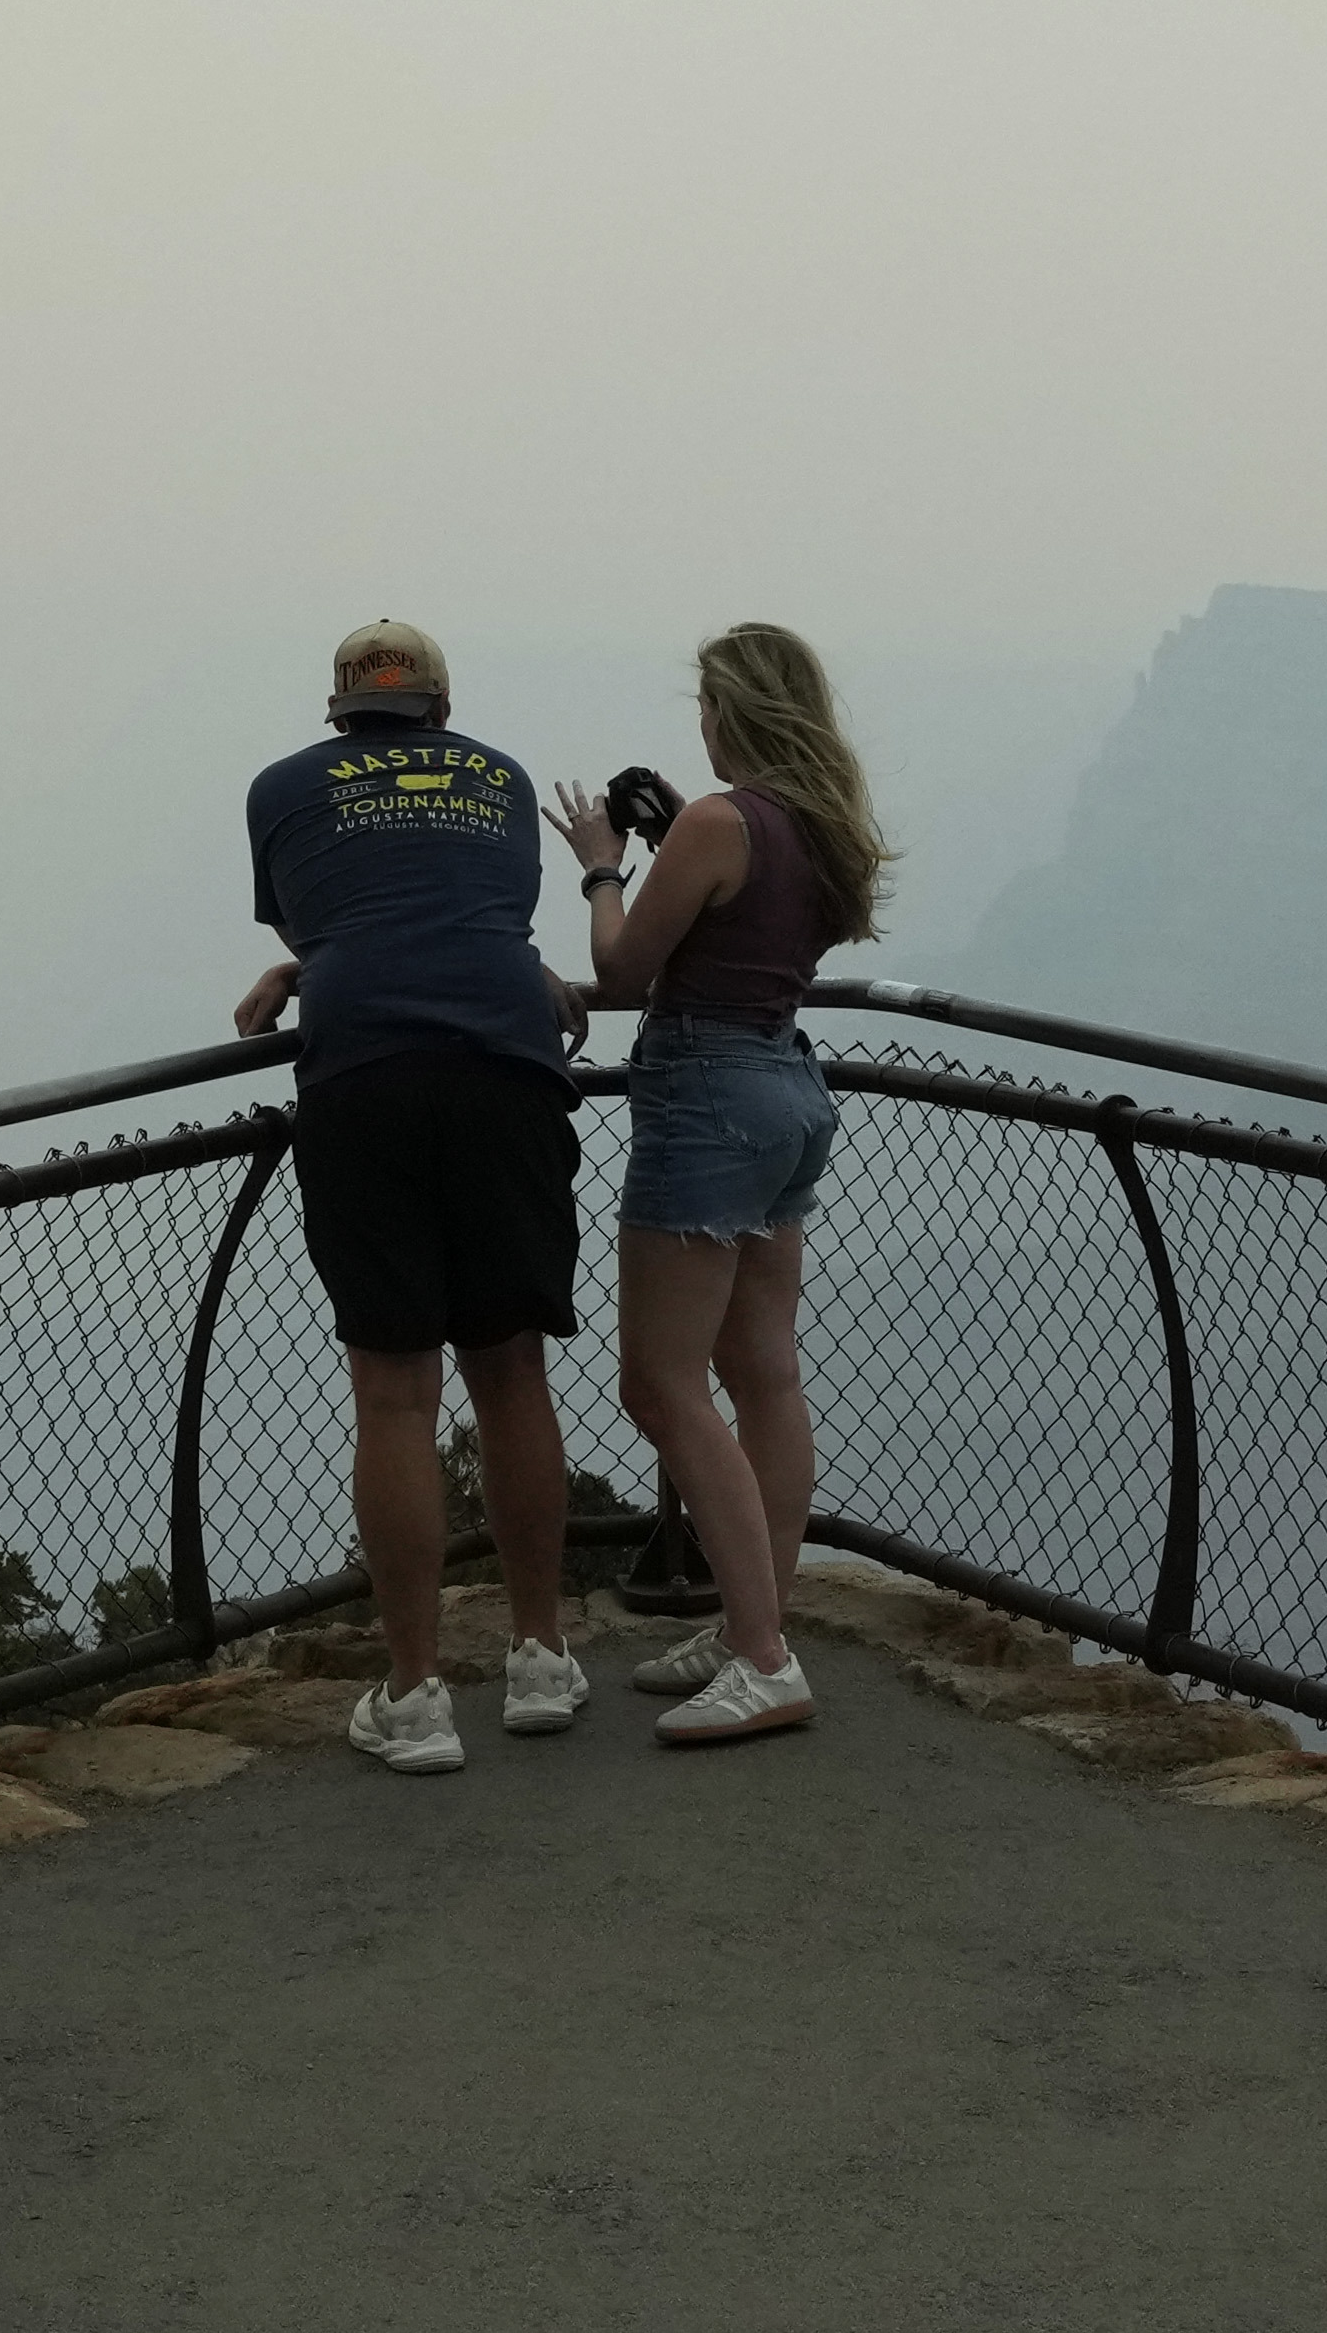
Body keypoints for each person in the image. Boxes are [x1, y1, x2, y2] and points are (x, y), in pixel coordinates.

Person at [234, 617, 598, 1775]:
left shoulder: (283, 787)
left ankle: (415, 1696)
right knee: (511, 1369)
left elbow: (320, 919)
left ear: (339, 711)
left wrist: (307, 966)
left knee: (394, 1393)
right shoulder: (494, 778)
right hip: (505, 1060)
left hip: (365, 1070)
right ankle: (539, 1657)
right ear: (440, 706)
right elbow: (479, 916)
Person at [578, 622, 888, 1749]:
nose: (699, 726)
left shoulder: (715, 822)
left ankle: (761, 1658)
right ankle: (759, 1623)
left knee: (659, 1386)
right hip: (787, 1091)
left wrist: (605, 861)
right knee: (762, 1372)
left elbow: (621, 971)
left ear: (734, 712)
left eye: (707, 705)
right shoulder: (818, 825)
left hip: (707, 1095)